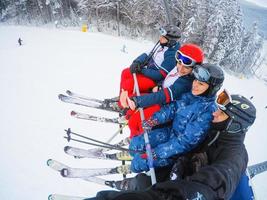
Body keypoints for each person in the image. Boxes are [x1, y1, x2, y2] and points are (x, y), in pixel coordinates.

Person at [85, 91, 257, 200]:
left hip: (177, 188)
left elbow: (211, 186)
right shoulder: (215, 131)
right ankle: (132, 184)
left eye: (221, 113)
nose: (214, 113)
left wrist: (174, 194)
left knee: (146, 182)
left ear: (234, 124)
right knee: (143, 178)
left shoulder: (235, 156)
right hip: (176, 171)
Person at [129, 63, 224, 173]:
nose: (195, 85)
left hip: (176, 153)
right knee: (136, 143)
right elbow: (173, 108)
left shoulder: (208, 111)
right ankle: (132, 154)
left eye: (201, 84)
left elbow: (186, 142)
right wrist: (155, 119)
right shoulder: (191, 95)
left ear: (212, 88)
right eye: (195, 80)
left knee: (140, 161)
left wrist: (157, 152)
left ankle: (132, 169)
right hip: (170, 133)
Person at [122, 43, 205, 138]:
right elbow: (168, 79)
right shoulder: (179, 69)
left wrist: (138, 101)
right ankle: (130, 123)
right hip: (161, 99)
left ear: (195, 68)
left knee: (136, 121)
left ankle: (136, 141)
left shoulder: (186, 82)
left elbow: (164, 95)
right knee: (133, 108)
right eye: (179, 63)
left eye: (186, 67)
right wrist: (160, 85)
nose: (181, 68)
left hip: (166, 107)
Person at [118, 24, 182, 109]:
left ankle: (126, 106)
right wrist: (137, 62)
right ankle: (121, 99)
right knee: (125, 72)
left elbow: (160, 75)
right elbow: (147, 54)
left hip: (154, 81)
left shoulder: (171, 55)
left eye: (163, 38)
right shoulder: (161, 45)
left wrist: (141, 71)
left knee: (129, 84)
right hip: (148, 72)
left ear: (171, 41)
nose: (160, 39)